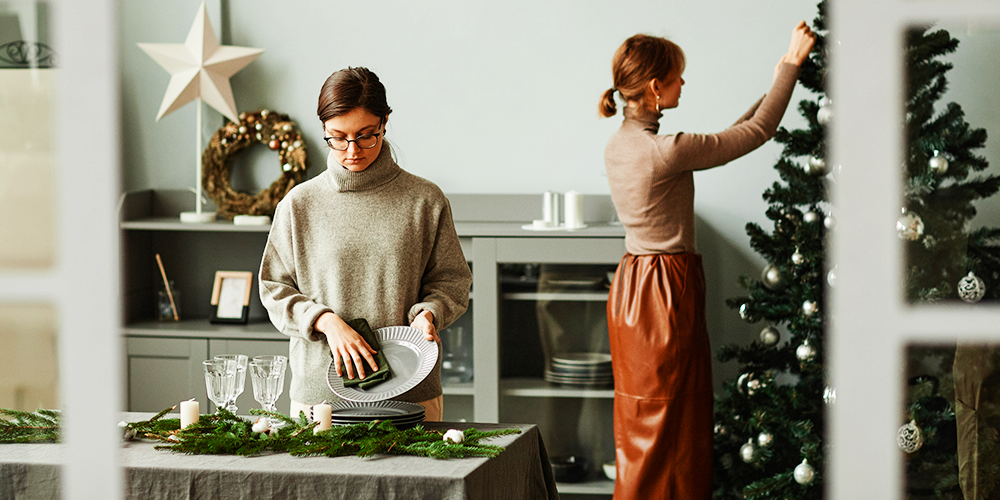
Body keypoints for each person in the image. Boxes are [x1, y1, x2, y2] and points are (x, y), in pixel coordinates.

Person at [599, 22, 816, 499]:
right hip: (665, 292)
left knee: (643, 424)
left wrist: (780, 76)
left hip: (633, 287)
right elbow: (757, 133)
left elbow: (732, 133)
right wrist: (792, 66)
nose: (684, 84)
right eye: (678, 77)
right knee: (674, 425)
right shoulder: (666, 151)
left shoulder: (622, 144)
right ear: (656, 88)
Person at [259, 66, 472, 422]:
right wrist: (323, 320)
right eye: (337, 137)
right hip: (320, 398)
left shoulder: (425, 200)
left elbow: (452, 282)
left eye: (366, 135)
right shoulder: (298, 204)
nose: (352, 150)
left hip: (411, 392)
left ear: (385, 122)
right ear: (324, 130)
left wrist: (429, 315)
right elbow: (273, 289)